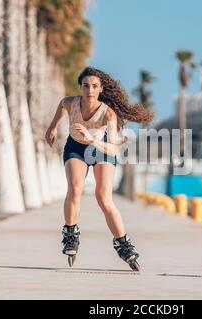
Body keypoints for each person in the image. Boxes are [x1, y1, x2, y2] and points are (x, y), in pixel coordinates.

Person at [45, 66, 154, 271]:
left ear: (101, 89)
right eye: (86, 86)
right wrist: (52, 127)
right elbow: (61, 106)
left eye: (95, 86)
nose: (90, 90)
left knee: (104, 197)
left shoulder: (108, 114)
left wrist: (90, 138)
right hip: (76, 147)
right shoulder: (71, 103)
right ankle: (70, 234)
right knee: (75, 188)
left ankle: (123, 244)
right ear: (81, 87)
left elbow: (113, 149)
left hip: (102, 148)